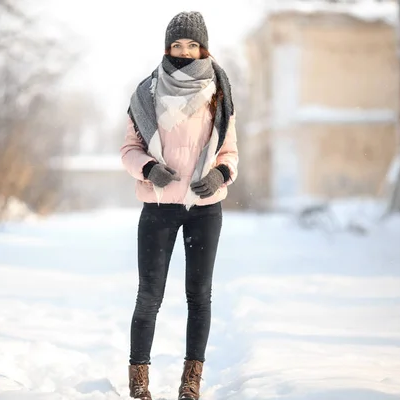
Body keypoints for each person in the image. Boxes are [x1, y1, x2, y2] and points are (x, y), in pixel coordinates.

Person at [120, 10, 239, 400]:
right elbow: (128, 150)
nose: (184, 51)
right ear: (167, 47)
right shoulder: (148, 92)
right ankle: (139, 382)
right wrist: (148, 168)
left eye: (191, 44)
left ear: (202, 46)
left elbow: (230, 152)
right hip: (159, 207)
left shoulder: (219, 89)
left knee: (198, 296)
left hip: (205, 208)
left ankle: (191, 382)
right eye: (177, 44)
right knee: (149, 295)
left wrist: (221, 175)